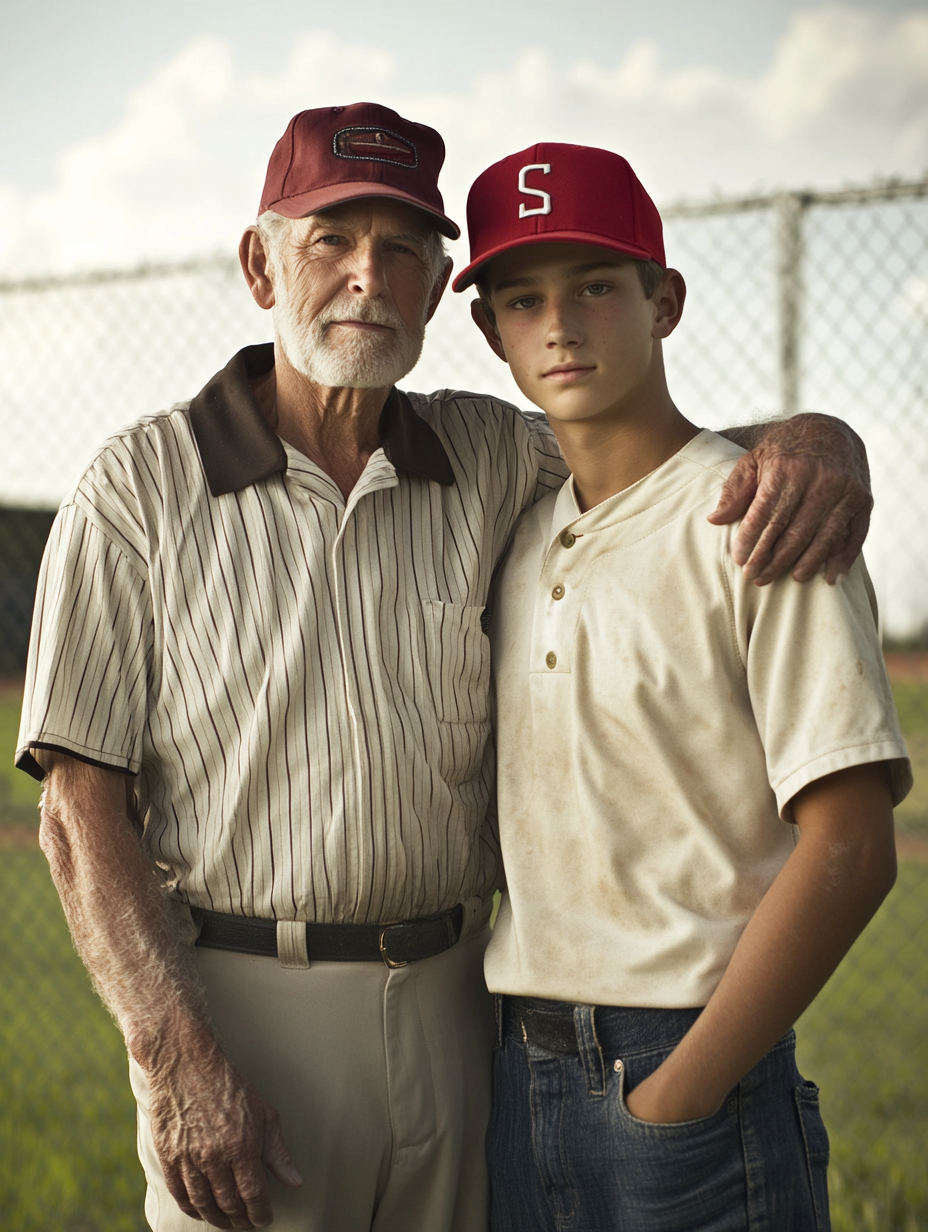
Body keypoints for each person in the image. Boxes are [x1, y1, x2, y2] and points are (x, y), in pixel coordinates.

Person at [17, 104, 873, 1232]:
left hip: (464, 1013)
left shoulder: (490, 456)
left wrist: (818, 437)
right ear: (259, 263)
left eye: (404, 246)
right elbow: (80, 816)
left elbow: (654, 460)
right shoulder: (138, 488)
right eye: (331, 237)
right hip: (240, 1011)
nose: (368, 274)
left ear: (437, 287)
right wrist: (175, 1055)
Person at [454, 142, 912, 1231]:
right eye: (523, 298)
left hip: (685, 1064)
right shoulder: (516, 536)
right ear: (491, 332)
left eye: (597, 287)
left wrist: (685, 1086)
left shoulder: (761, 517)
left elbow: (849, 844)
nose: (560, 324)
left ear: (665, 301)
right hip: (519, 1074)